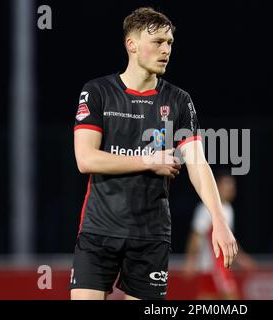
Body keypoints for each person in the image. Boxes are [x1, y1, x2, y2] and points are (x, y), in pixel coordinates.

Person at [69, 7, 238, 300]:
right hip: (99, 231)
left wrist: (219, 222)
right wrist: (149, 161)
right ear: (131, 44)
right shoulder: (97, 92)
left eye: (169, 43)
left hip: (150, 237)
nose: (166, 50)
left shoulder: (179, 100)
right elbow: (86, 159)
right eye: (157, 42)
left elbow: (198, 164)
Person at [183, 171, 256, 299]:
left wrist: (242, 258)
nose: (231, 189)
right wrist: (191, 259)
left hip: (221, 266)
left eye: (233, 186)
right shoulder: (206, 209)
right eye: (227, 185)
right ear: (216, 186)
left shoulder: (228, 209)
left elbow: (229, 240)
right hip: (213, 266)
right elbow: (195, 235)